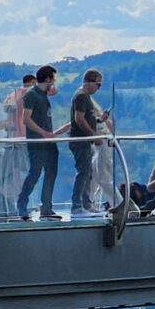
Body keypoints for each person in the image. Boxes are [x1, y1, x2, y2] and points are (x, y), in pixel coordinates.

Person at [16, 65, 70, 221]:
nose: (54, 82)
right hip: (37, 142)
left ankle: (47, 206)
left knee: (51, 172)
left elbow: (55, 92)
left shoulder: (42, 94)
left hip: (48, 141)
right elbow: (26, 119)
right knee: (35, 172)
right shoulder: (32, 95)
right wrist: (42, 133)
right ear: (48, 79)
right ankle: (22, 204)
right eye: (52, 78)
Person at [68, 69, 106, 217]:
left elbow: (85, 118)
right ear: (90, 82)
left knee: (88, 173)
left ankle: (86, 204)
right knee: (83, 172)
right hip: (80, 141)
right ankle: (77, 206)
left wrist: (99, 120)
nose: (98, 88)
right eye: (98, 84)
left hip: (84, 141)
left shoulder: (84, 97)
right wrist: (93, 135)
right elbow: (79, 119)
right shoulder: (82, 96)